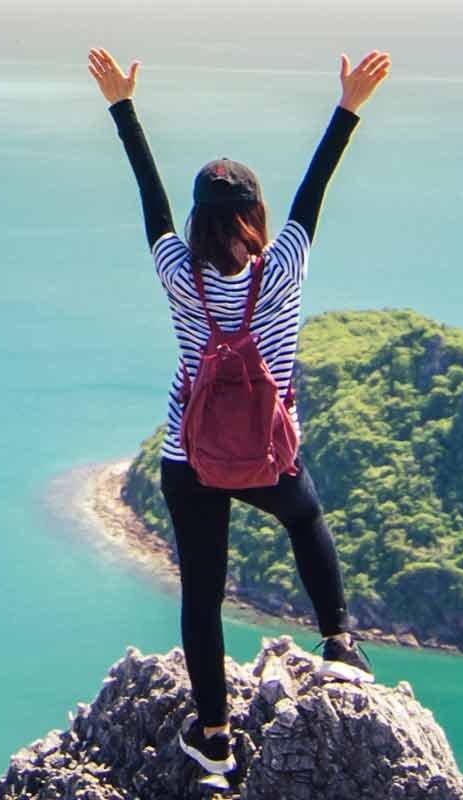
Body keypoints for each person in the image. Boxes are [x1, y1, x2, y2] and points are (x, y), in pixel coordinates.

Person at [90, 46, 392, 789]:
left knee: (201, 591)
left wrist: (122, 107)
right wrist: (347, 107)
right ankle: (339, 644)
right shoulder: (284, 268)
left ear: (199, 220)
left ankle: (216, 741)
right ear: (255, 215)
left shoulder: (174, 271)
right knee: (306, 516)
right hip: (266, 452)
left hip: (190, 457)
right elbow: (314, 193)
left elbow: (151, 201)